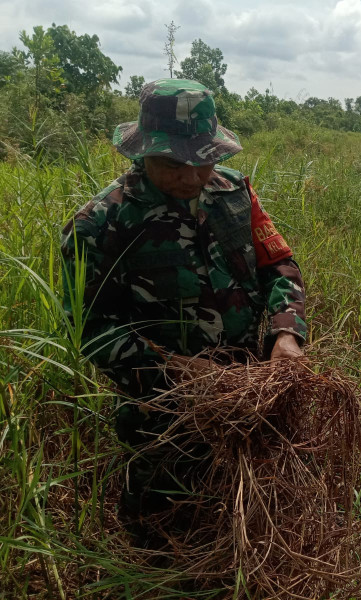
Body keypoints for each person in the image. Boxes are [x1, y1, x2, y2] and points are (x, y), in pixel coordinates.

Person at [61, 79, 306, 541]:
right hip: (161, 420)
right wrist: (175, 371)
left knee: (242, 524)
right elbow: (91, 326)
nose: (193, 177)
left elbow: (278, 265)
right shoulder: (100, 223)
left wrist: (285, 334)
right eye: (173, 164)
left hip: (249, 399)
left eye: (204, 160)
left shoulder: (234, 192)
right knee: (163, 539)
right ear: (140, 153)